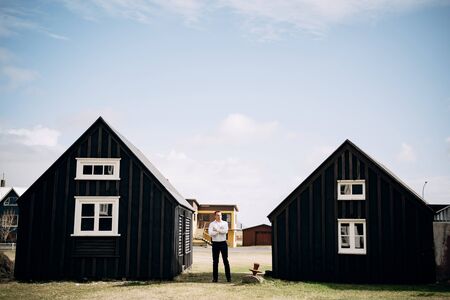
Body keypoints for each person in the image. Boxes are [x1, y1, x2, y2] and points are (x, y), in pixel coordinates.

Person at [208, 210, 231, 282]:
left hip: (223, 243)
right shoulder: (212, 224)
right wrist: (219, 231)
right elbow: (210, 233)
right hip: (215, 244)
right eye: (218, 215)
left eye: (220, 215)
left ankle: (229, 278)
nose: (219, 216)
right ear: (215, 216)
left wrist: (217, 230)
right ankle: (215, 279)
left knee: (225, 261)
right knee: (215, 261)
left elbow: (225, 231)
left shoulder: (225, 223)